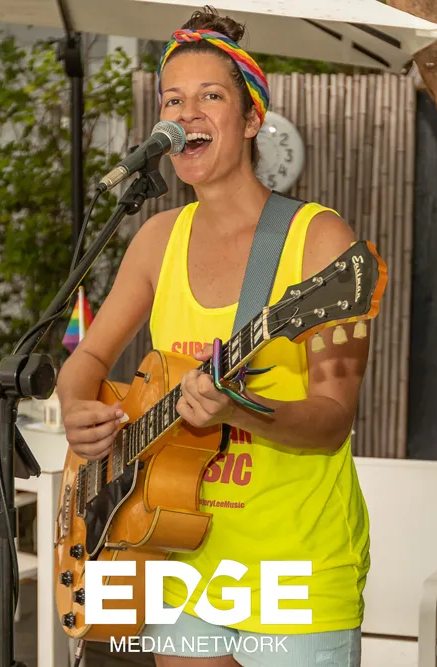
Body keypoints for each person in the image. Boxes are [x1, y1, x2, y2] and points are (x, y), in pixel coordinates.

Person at [55, 7, 372, 667]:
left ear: (252, 119)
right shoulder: (156, 238)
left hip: (294, 568)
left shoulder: (319, 242)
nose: (187, 113)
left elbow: (333, 421)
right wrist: (76, 407)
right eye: (173, 99)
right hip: (175, 555)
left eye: (210, 97)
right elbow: (87, 357)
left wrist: (238, 410)